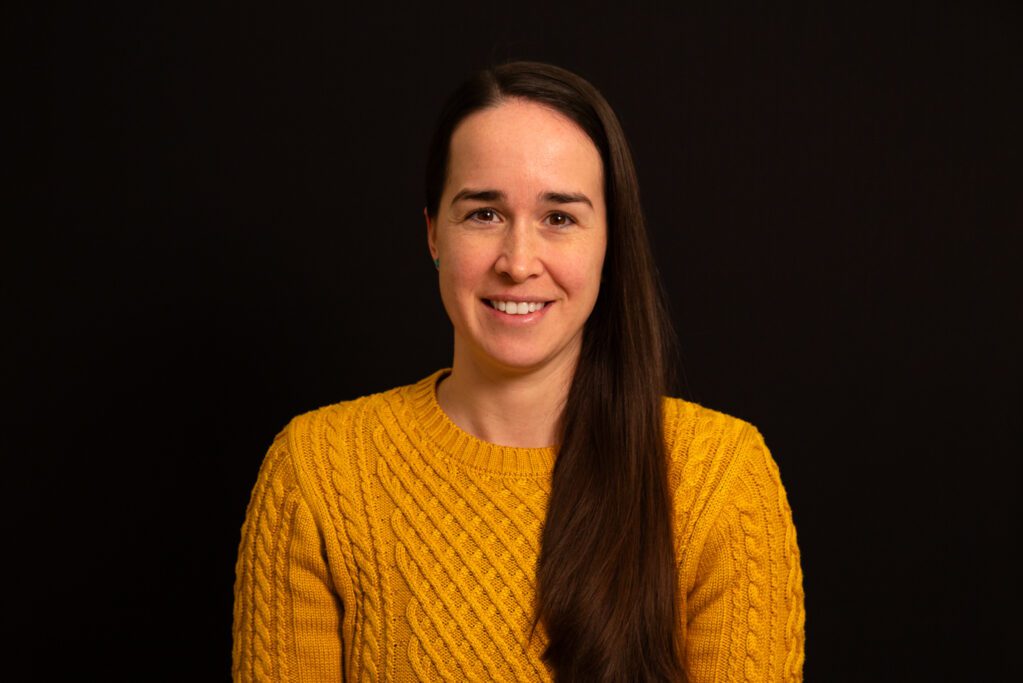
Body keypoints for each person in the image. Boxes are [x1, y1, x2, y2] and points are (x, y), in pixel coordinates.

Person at [232, 61, 805, 682]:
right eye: (484, 213)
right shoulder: (317, 473)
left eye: (560, 218)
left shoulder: (720, 480)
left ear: (609, 241)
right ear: (433, 234)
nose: (518, 261)